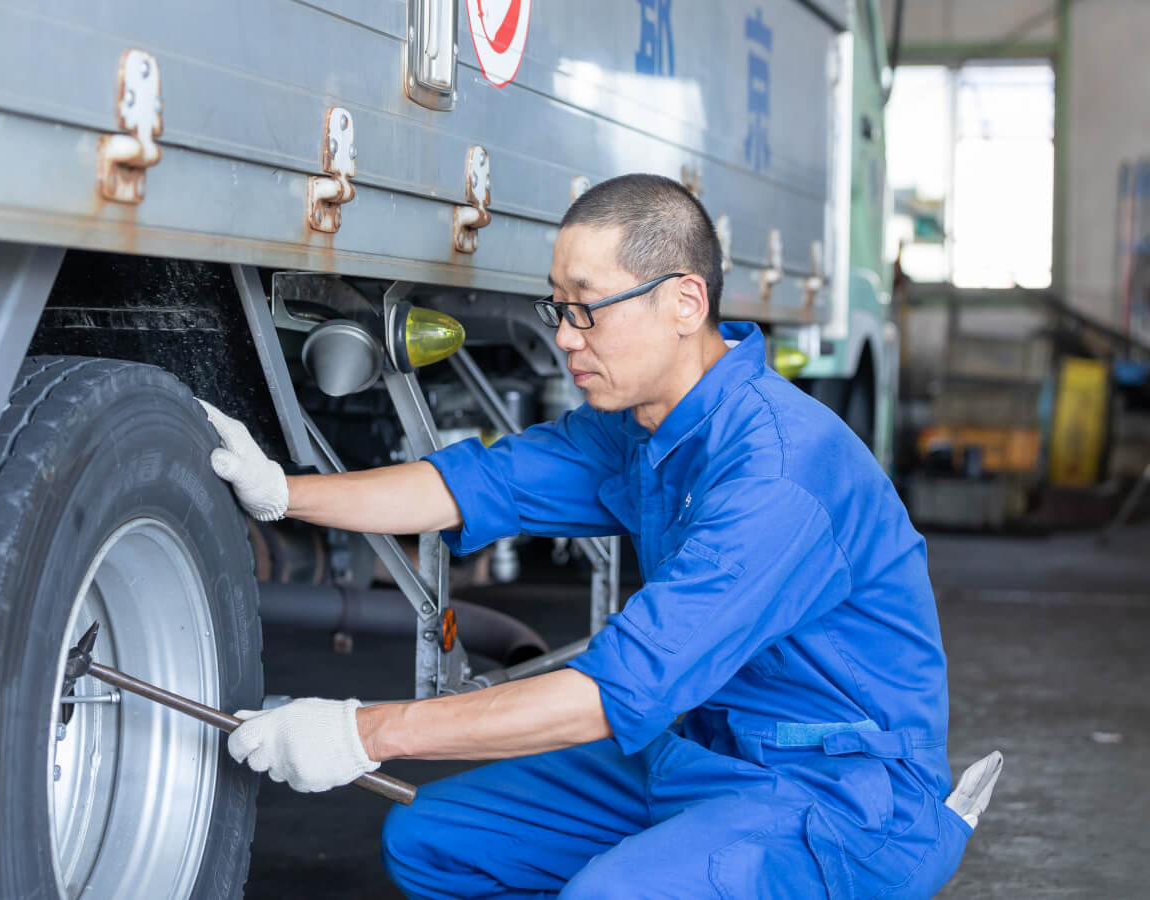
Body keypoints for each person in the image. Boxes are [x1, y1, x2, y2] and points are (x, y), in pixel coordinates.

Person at [202, 174, 981, 898]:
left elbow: (610, 695)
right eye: (557, 308)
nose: (568, 338)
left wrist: (362, 731)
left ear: (684, 302)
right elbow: (474, 486)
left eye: (588, 308)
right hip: (705, 757)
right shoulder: (644, 427)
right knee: (432, 840)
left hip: (843, 800)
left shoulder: (778, 476)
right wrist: (282, 492)